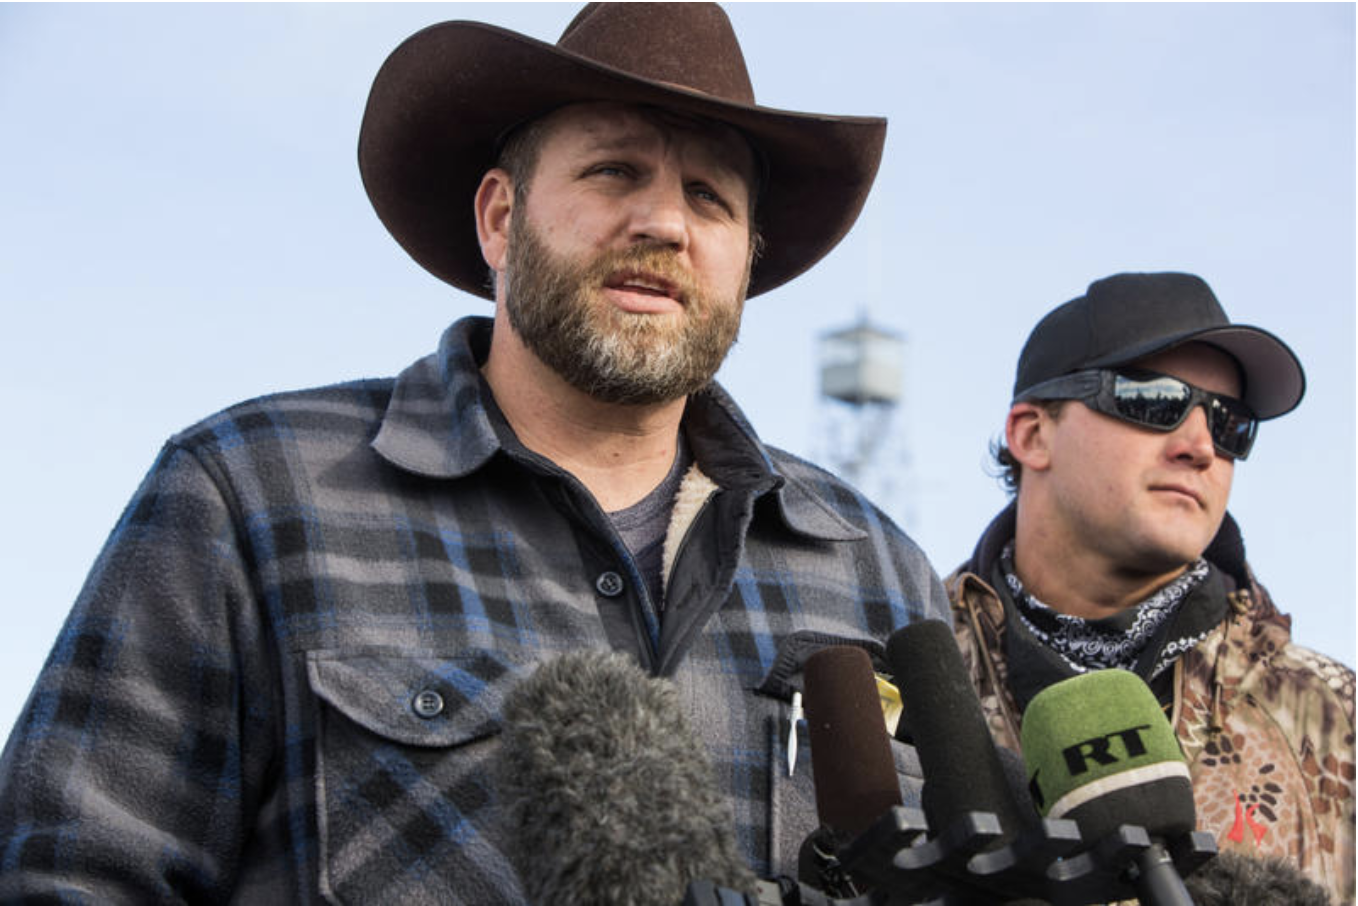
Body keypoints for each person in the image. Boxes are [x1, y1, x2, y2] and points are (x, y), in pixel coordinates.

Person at [0, 4, 949, 902]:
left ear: (743, 261)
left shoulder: (876, 572)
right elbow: (69, 874)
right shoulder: (248, 493)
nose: (664, 223)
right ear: (500, 218)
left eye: (709, 197)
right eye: (614, 171)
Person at [947, 271, 1355, 903]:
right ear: (1031, 434)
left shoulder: (1338, 718)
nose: (1199, 446)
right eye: (1153, 399)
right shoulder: (898, 678)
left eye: (1230, 423)